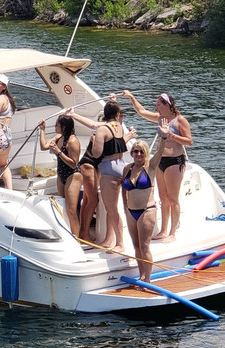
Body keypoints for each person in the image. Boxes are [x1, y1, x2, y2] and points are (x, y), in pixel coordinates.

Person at [123, 90, 192, 242]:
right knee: (163, 198)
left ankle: (172, 233)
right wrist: (131, 97)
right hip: (160, 160)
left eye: (159, 104)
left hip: (175, 161)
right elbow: (141, 112)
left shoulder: (180, 120)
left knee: (173, 199)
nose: (157, 107)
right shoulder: (160, 118)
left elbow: (189, 141)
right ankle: (163, 230)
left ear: (167, 105)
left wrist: (170, 134)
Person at [71, 100, 130, 250]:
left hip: (108, 168)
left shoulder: (103, 129)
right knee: (113, 207)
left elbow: (97, 153)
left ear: (104, 114)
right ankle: (109, 240)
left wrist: (96, 139)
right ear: (117, 114)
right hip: (121, 166)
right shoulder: (119, 127)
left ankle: (119, 243)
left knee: (111, 208)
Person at [122, 138, 165, 281]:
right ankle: (142, 275)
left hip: (147, 210)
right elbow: (124, 190)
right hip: (131, 211)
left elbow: (159, 152)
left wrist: (163, 137)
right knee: (136, 246)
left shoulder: (150, 167)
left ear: (145, 153)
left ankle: (147, 279)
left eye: (141, 151)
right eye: (135, 151)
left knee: (144, 246)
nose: (138, 154)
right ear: (132, 153)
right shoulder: (127, 168)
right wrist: (125, 207)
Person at [38, 114, 82, 235]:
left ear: (63, 126)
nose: (55, 126)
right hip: (61, 174)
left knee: (71, 210)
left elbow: (74, 163)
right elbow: (44, 147)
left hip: (72, 175)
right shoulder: (58, 137)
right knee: (62, 205)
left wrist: (58, 152)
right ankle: (67, 233)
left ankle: (77, 238)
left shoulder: (73, 141)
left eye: (57, 124)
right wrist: (42, 130)